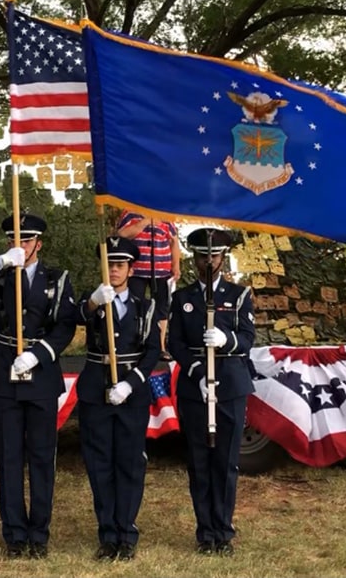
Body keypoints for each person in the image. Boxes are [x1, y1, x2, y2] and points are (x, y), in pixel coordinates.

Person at [0, 213, 76, 559]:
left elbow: (65, 326)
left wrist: (40, 354)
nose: (20, 246)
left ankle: (38, 534)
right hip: (6, 370)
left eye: (26, 241)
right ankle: (14, 535)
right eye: (14, 240)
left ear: (39, 243)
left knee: (41, 458)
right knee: (9, 458)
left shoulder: (57, 278)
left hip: (40, 373)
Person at [167, 228, 255, 557]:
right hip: (196, 388)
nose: (208, 261)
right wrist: (199, 372)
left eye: (214, 256)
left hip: (231, 385)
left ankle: (224, 530)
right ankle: (205, 532)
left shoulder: (240, 295)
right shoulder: (182, 298)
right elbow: (174, 343)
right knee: (199, 462)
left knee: (226, 463)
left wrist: (225, 340)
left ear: (223, 257)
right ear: (194, 258)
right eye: (202, 256)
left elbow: (247, 339)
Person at [75, 236, 161, 562]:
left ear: (131, 269)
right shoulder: (94, 299)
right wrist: (95, 303)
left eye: (119, 265)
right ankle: (107, 534)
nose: (113, 270)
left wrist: (131, 383)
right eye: (109, 264)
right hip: (96, 390)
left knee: (129, 463)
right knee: (100, 465)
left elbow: (152, 351)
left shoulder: (145, 307)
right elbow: (75, 317)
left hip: (130, 393)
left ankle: (126, 533)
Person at [115, 210, 180, 359]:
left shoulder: (166, 216)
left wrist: (176, 266)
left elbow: (174, 242)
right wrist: (144, 222)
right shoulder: (130, 213)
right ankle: (133, 345)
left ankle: (160, 347)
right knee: (134, 307)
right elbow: (123, 234)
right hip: (137, 271)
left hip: (162, 272)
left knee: (162, 309)